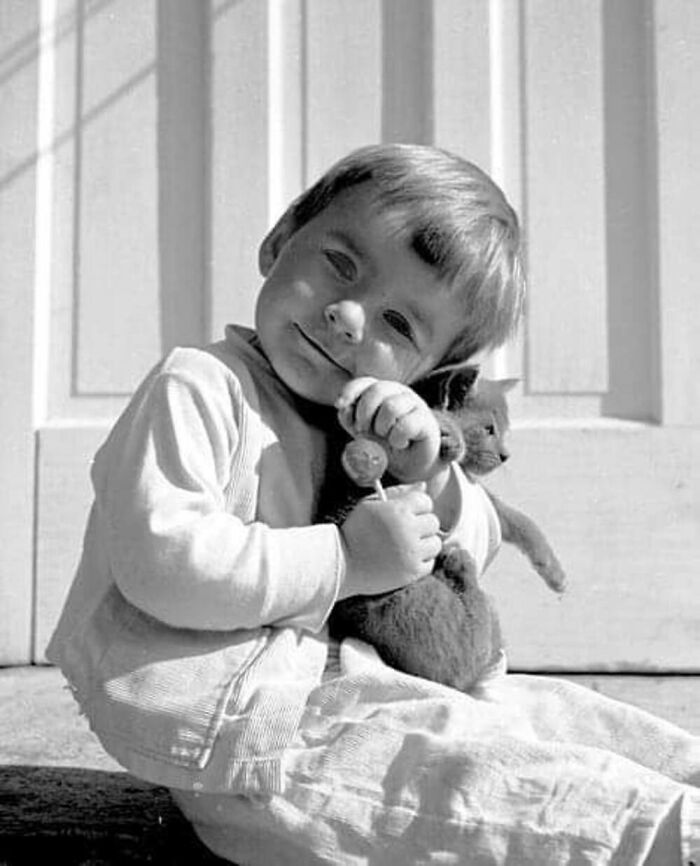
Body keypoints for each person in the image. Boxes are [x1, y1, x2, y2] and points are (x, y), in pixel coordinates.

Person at [47, 144, 699, 865]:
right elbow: (163, 564)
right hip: (245, 728)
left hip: (353, 682)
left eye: (399, 325)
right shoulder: (201, 386)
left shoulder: (366, 415)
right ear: (279, 240)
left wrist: (430, 474)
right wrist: (345, 557)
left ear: (432, 372)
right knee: (475, 789)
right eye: (340, 263)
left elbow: (471, 544)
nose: (350, 318)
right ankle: (675, 837)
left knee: (557, 721)